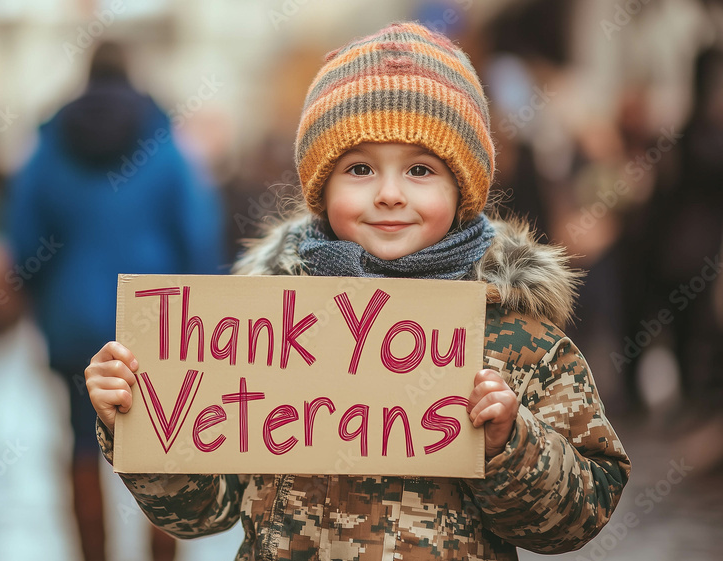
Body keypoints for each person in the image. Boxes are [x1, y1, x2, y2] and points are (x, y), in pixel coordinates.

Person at [84, 22, 630, 559]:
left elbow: (580, 512)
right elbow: (206, 510)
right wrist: (139, 419)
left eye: (421, 170)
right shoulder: (267, 331)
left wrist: (510, 444)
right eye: (361, 168)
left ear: (463, 187)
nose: (390, 194)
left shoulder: (515, 334)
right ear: (322, 188)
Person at [8, 42, 223, 561]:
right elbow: (198, 235)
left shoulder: (49, 148)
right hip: (157, 323)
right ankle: (159, 553)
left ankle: (94, 553)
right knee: (162, 445)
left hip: (74, 325)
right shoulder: (164, 145)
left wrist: (46, 294)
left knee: (82, 443)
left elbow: (25, 244)